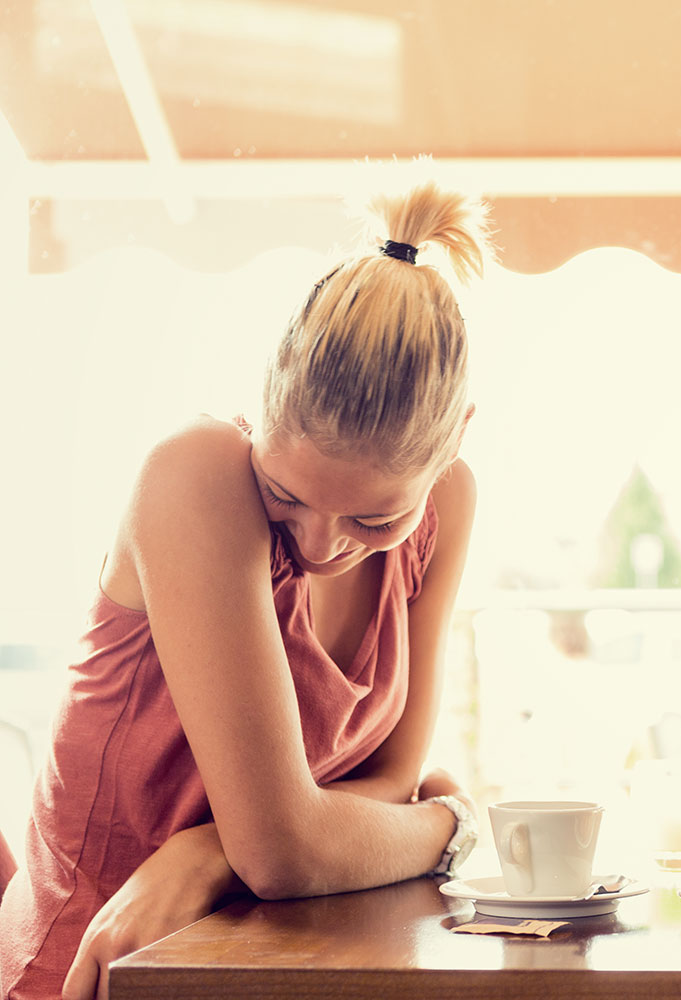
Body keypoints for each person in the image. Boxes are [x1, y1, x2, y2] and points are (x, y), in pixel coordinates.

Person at [0, 177, 488, 999]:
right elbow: (288, 850)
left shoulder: (450, 502)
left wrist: (210, 847)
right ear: (261, 410)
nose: (323, 544)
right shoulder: (195, 475)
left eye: (374, 521)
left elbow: (386, 782)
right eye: (287, 496)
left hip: (260, 963)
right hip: (92, 969)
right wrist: (454, 823)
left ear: (452, 445)